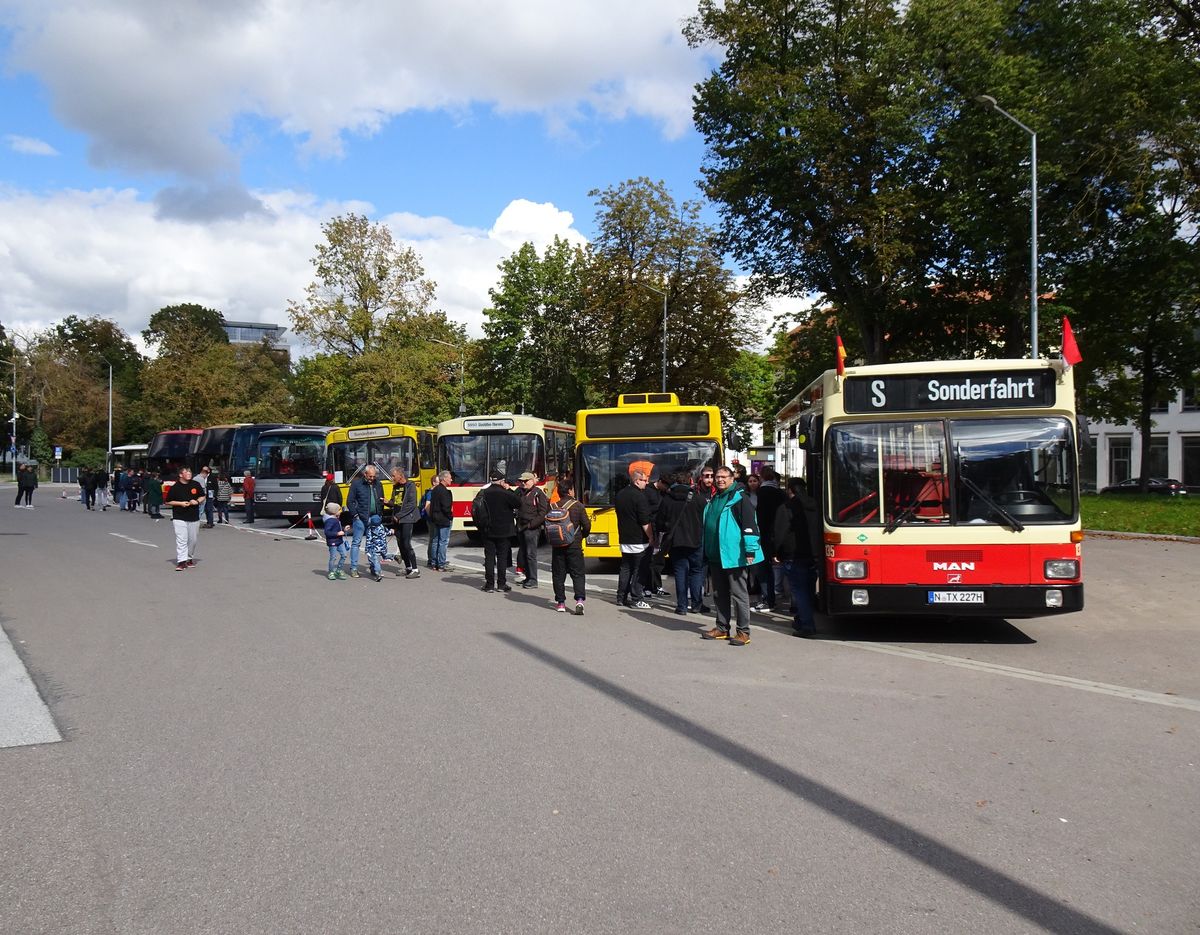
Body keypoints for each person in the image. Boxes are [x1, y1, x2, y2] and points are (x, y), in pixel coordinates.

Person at [701, 466, 763, 646]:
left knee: (739, 594)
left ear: (731, 479)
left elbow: (751, 525)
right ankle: (722, 628)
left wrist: (750, 550)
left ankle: (743, 632)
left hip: (734, 555)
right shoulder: (715, 498)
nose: (719, 480)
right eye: (716, 477)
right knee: (719, 594)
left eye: (723, 477)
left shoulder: (739, 499)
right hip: (716, 555)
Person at [773, 476, 822, 637]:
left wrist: (775, 552)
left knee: (799, 591)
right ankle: (801, 620)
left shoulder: (786, 507)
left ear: (790, 490)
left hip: (793, 554)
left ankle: (807, 625)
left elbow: (779, 533)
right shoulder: (816, 505)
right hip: (814, 554)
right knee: (808, 590)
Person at [656, 471, 707, 615]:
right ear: (690, 481)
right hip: (696, 541)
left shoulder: (667, 499)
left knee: (680, 572)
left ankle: (682, 606)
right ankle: (697, 604)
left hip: (675, 541)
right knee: (696, 572)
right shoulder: (699, 498)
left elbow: (659, 522)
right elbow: (706, 520)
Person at [548, 476, 590, 614]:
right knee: (577, 573)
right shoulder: (578, 506)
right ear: (571, 491)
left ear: (559, 492)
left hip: (557, 546)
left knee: (558, 574)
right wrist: (581, 536)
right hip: (574, 545)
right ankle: (579, 600)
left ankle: (560, 603)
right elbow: (587, 526)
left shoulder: (553, 506)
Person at [475, 469, 521, 592]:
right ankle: (501, 584)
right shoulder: (505, 493)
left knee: (489, 557)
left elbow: (476, 508)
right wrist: (509, 489)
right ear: (502, 481)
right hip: (504, 530)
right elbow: (518, 503)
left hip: (487, 529)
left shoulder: (483, 493)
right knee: (502, 557)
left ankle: (489, 585)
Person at [747, 472, 786, 611]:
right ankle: (772, 597)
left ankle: (766, 599)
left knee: (762, 569)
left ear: (761, 479)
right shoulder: (780, 494)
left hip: (761, 535)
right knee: (772, 569)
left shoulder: (761, 494)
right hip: (776, 535)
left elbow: (759, 517)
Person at [615, 470, 653, 609]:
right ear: (637, 481)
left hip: (624, 538)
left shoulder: (620, 494)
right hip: (639, 541)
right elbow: (645, 521)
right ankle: (637, 599)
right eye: (644, 480)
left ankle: (621, 597)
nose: (647, 483)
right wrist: (651, 537)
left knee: (625, 568)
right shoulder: (639, 497)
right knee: (639, 570)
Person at [346, 465, 385, 580]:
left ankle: (374, 567)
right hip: (360, 518)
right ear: (365, 474)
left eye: (374, 476)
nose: (372, 478)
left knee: (373, 544)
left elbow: (381, 500)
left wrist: (380, 514)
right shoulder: (357, 484)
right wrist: (356, 515)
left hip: (375, 518)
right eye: (370, 476)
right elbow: (350, 501)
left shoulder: (378, 484)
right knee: (356, 543)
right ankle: (353, 568)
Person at [165, 466, 205, 571]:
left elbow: (202, 496)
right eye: (186, 472)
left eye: (190, 472)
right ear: (180, 475)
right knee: (182, 539)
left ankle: (189, 558)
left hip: (193, 517)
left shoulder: (195, 484)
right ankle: (181, 561)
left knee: (193, 540)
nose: (189, 473)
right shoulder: (175, 487)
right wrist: (180, 503)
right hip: (179, 517)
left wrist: (197, 501)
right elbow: (168, 501)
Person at [514, 470, 550, 589]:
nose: (523, 483)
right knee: (524, 553)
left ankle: (533, 580)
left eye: (525, 481)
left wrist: (531, 525)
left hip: (532, 528)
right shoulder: (519, 492)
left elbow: (543, 512)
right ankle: (528, 577)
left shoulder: (538, 494)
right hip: (521, 526)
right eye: (521, 481)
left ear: (532, 481)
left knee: (531, 554)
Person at [389, 467, 421, 578]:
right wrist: (386, 502)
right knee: (400, 544)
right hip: (397, 520)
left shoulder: (410, 486)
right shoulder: (396, 487)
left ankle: (415, 569)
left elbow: (411, 504)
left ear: (400, 475)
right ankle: (408, 568)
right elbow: (394, 502)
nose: (392, 478)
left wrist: (399, 515)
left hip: (407, 519)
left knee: (407, 544)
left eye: (393, 476)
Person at [427, 470, 455, 572]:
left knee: (435, 541)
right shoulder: (445, 492)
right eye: (450, 477)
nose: (451, 479)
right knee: (443, 542)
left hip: (435, 518)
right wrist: (450, 516)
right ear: (444, 478)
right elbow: (446, 508)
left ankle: (434, 563)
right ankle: (441, 564)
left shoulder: (435, 490)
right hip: (443, 519)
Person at [323, 501, 350, 580]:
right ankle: (331, 572)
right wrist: (337, 533)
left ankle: (339, 569)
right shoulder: (329, 521)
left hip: (339, 541)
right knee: (333, 557)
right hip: (333, 542)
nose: (340, 511)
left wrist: (344, 529)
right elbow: (327, 532)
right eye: (339, 510)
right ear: (334, 512)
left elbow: (339, 529)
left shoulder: (336, 519)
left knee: (344, 555)